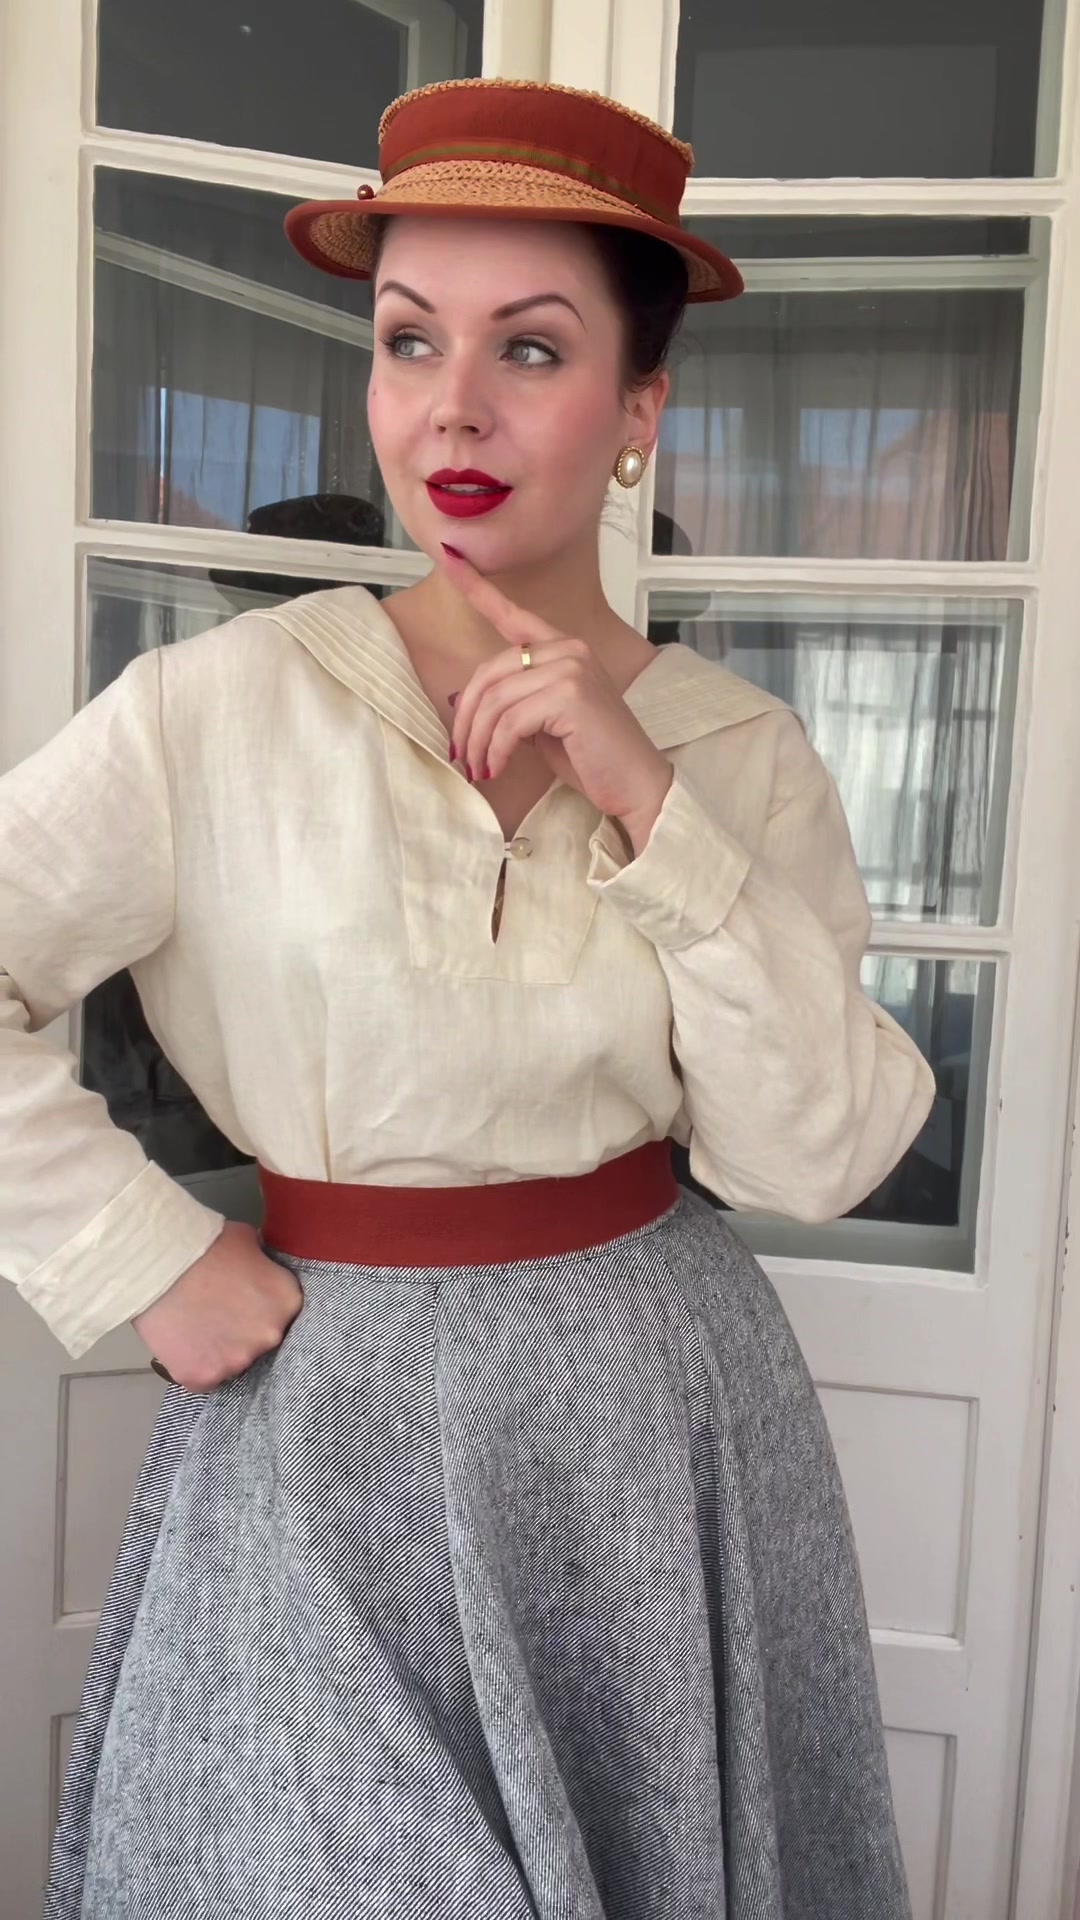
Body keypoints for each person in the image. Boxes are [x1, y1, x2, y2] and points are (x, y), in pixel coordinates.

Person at [4, 78, 934, 1920]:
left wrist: (647, 802)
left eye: (532, 347)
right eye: (410, 339)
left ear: (640, 406)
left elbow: (814, 1154)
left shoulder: (739, 754)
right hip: (313, 1422)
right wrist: (131, 1249)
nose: (453, 406)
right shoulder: (218, 710)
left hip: (652, 1427)